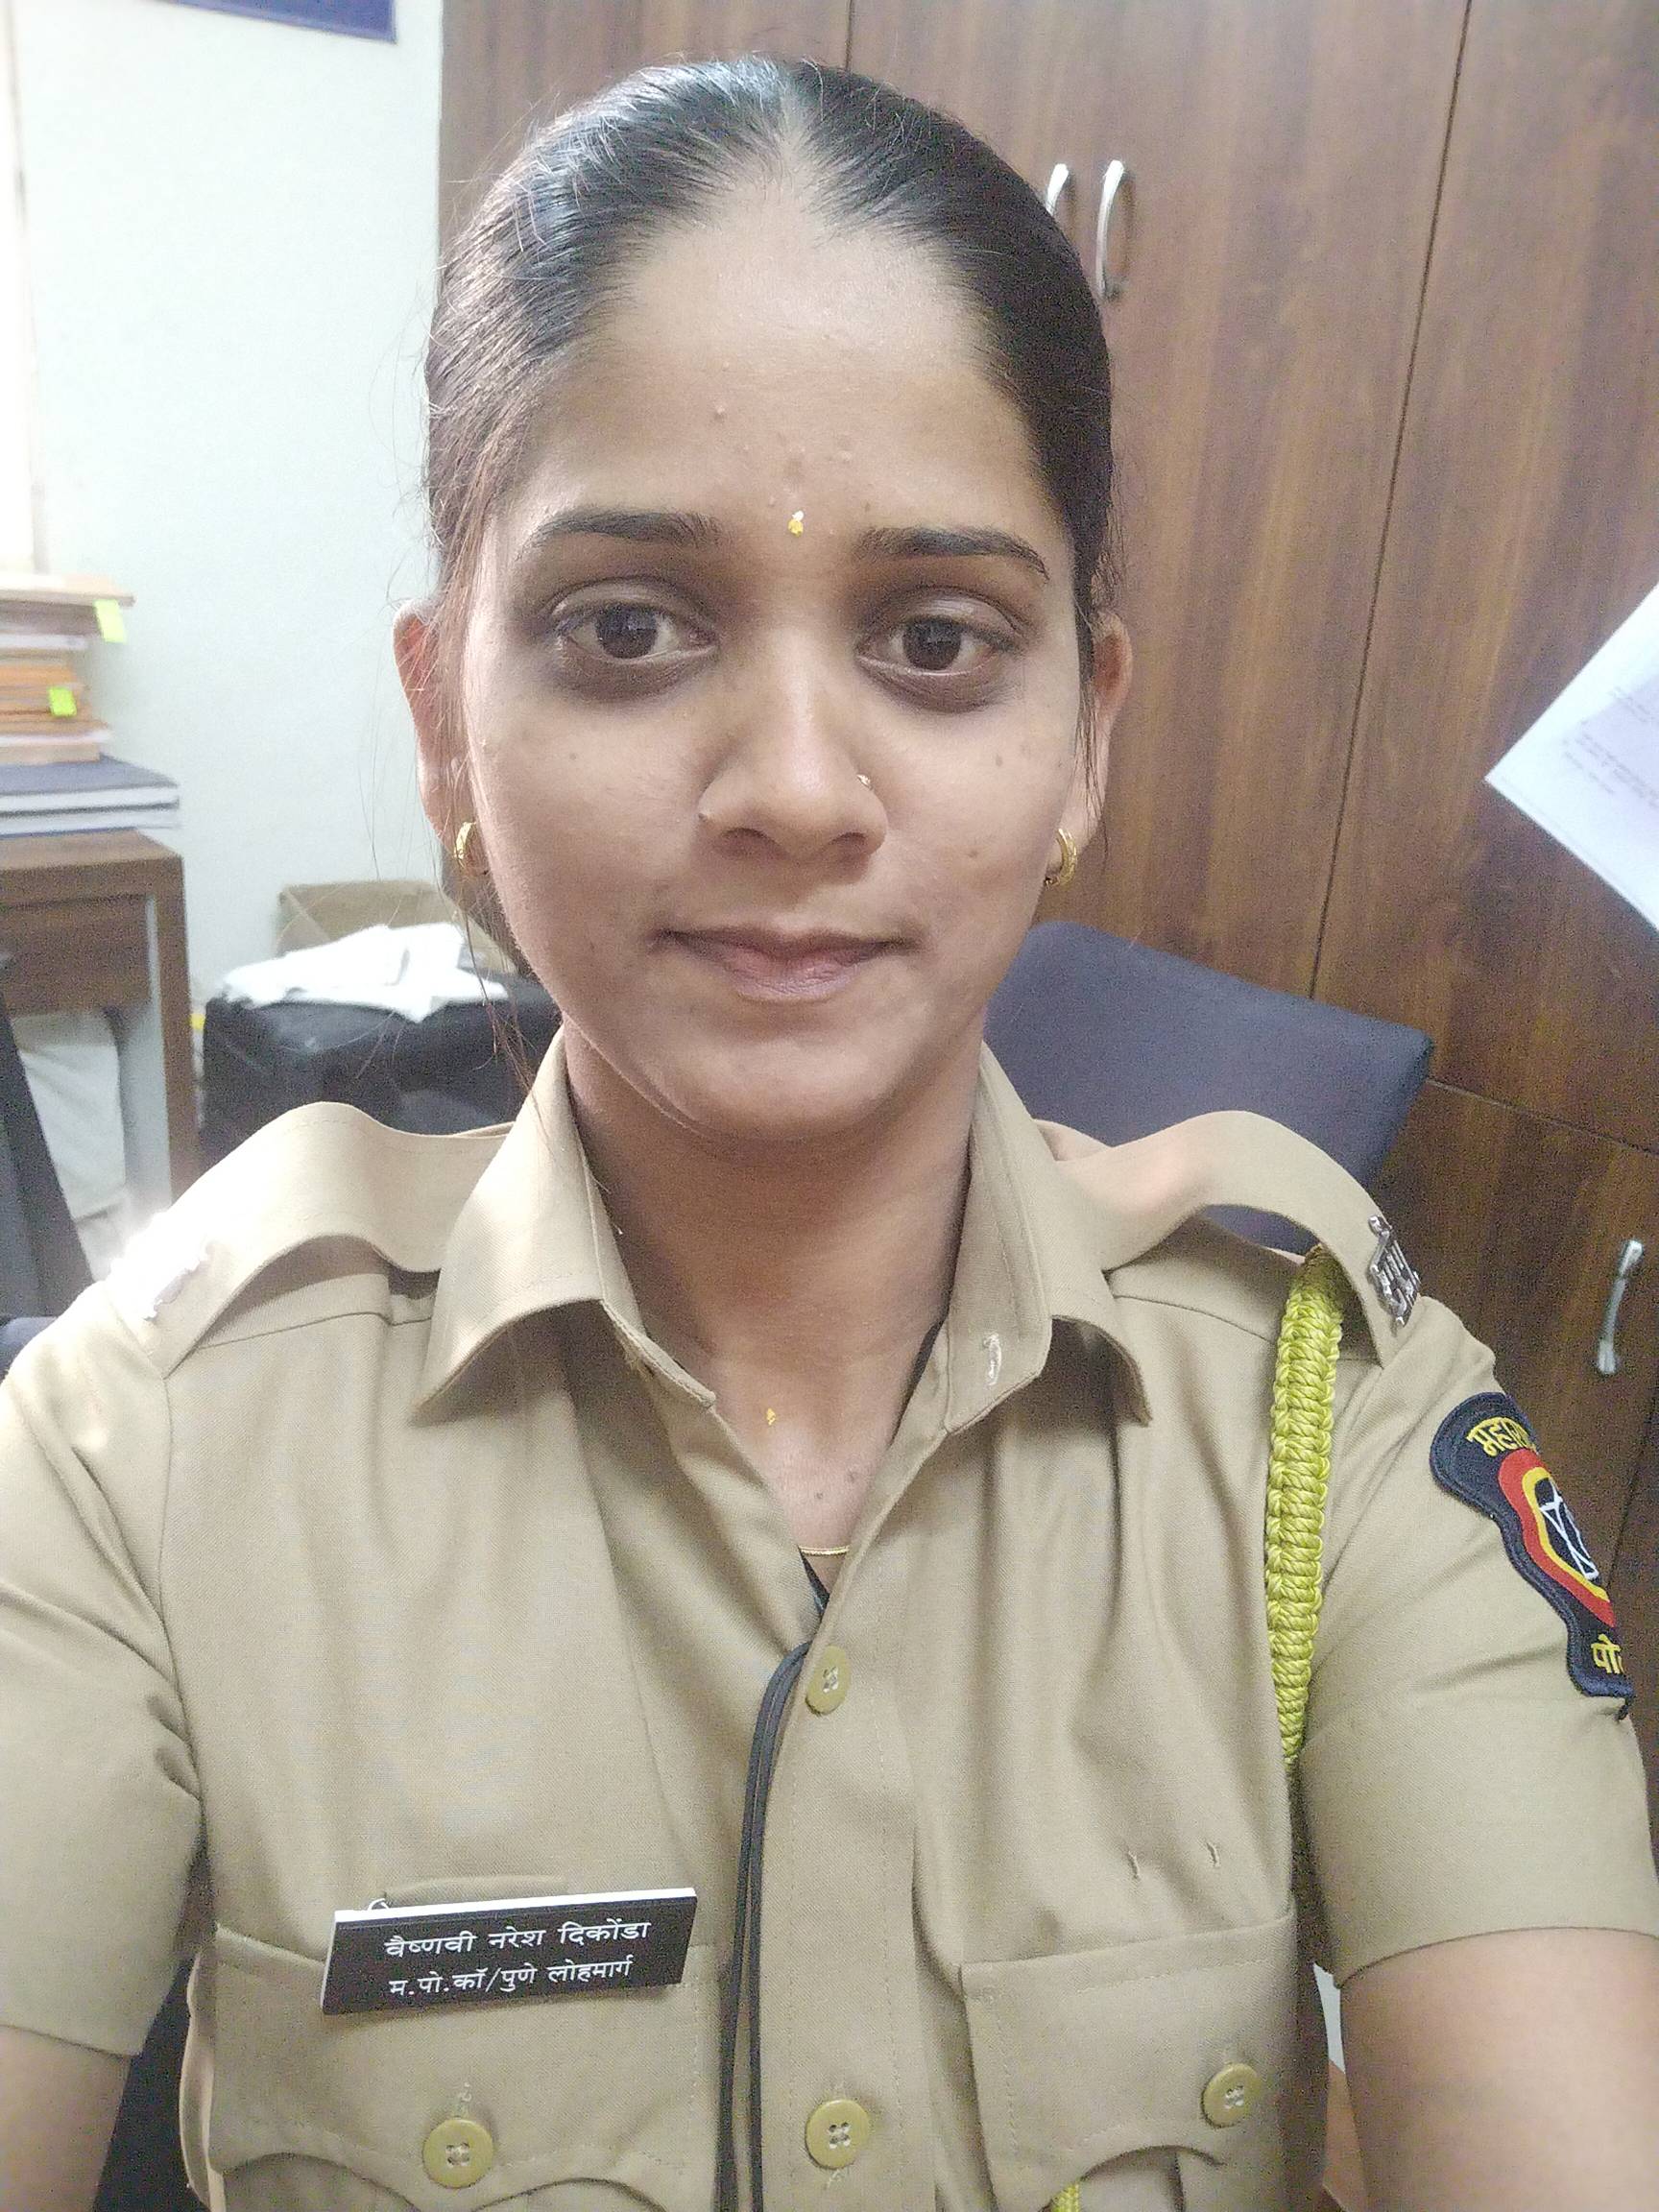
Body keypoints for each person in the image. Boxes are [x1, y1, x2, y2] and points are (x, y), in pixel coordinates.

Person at [1, 55, 1656, 2212]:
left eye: (936, 641)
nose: (794, 787)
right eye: (628, 628)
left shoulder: (1324, 1418)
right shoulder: (146, 1448)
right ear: (443, 721)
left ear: (1084, 735)